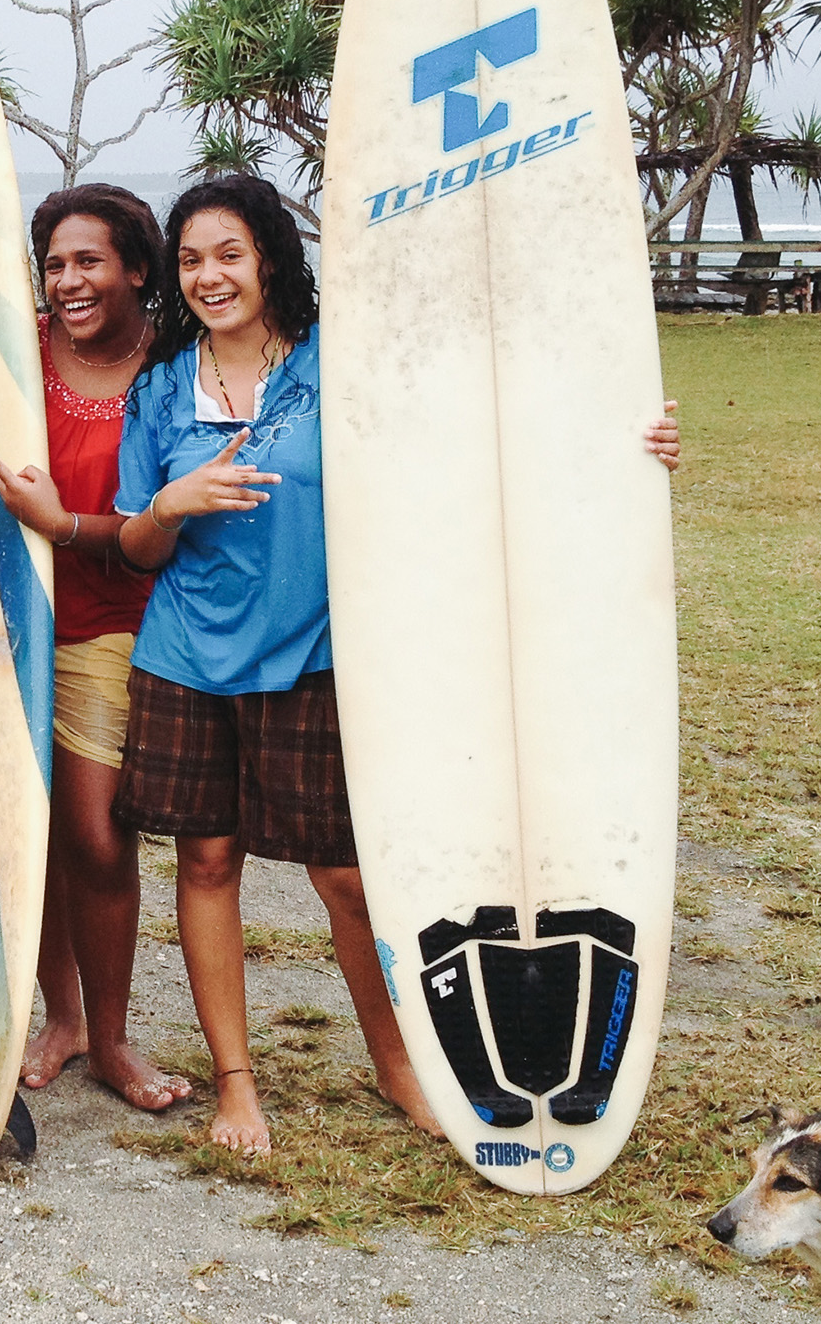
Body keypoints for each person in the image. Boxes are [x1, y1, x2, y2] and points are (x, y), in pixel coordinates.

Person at [109, 175, 680, 1156]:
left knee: (345, 875)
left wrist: (628, 442)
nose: (209, 275)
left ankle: (398, 1062)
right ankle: (238, 1084)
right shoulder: (160, 390)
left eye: (229, 253)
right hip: (186, 655)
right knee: (205, 860)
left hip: (316, 653)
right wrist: (172, 503)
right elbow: (133, 543)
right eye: (192, 259)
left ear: (271, 259)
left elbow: (478, 442)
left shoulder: (346, 363)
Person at [0, 184, 191, 1111]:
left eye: (89, 261)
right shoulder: (20, 349)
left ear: (138, 267)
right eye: (53, 263)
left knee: (98, 835)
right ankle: (63, 1017)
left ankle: (113, 1037)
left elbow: (160, 515)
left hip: (123, 619)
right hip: (17, 616)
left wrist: (61, 525)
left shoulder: (176, 365)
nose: (67, 282)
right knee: (41, 823)